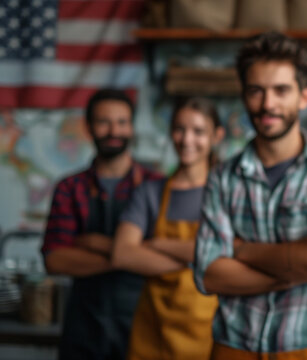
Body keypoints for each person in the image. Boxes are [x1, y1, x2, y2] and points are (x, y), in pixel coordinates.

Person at [193, 31, 307, 359]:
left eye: (281, 90)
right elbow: (209, 274)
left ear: (303, 96)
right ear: (244, 96)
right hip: (232, 348)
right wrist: (299, 270)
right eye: (256, 91)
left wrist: (240, 250)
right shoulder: (222, 176)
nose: (268, 104)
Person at [41, 89, 162, 360]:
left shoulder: (156, 186)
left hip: (143, 325)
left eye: (121, 122)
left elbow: (166, 256)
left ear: (131, 127)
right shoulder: (69, 188)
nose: (113, 130)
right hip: (83, 329)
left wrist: (94, 243)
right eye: (103, 122)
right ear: (88, 128)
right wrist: (130, 254)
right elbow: (55, 260)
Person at [111, 97, 224, 359]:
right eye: (179, 129)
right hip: (153, 332)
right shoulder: (150, 192)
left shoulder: (227, 193)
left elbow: (235, 252)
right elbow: (123, 254)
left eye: (198, 131)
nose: (186, 140)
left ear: (216, 136)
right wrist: (199, 261)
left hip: (210, 335)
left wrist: (156, 245)